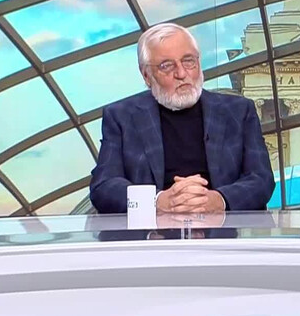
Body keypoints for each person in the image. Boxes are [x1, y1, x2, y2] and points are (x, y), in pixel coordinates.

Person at [90, 23, 274, 214]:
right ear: (146, 75)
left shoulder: (238, 112)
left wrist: (219, 200)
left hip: (222, 228)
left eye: (188, 61)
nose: (181, 73)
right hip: (153, 230)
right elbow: (104, 186)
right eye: (167, 66)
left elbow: (261, 179)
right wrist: (156, 202)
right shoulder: (121, 117)